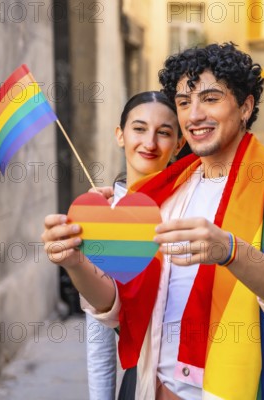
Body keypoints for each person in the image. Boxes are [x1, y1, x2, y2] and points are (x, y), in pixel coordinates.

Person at [42, 43, 264, 400]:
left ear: (245, 107)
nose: (193, 115)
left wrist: (230, 250)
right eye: (183, 102)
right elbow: (118, 305)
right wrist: (75, 263)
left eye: (209, 99)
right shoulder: (162, 192)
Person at [83, 91, 185, 400]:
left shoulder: (191, 206)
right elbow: (99, 335)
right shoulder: (101, 216)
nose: (150, 143)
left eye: (164, 133)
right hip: (138, 378)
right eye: (139, 129)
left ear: (179, 144)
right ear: (120, 135)